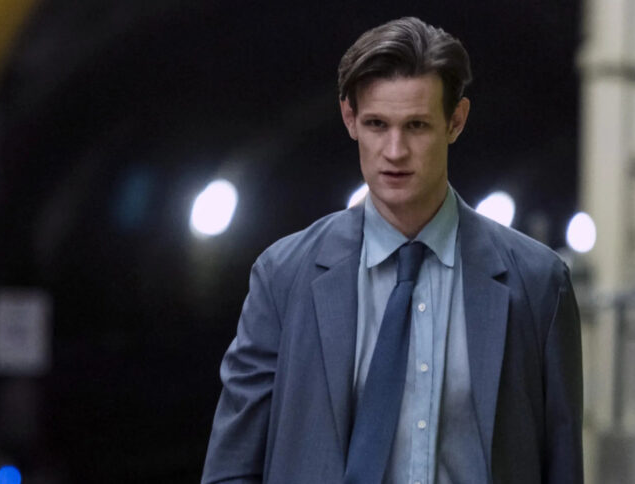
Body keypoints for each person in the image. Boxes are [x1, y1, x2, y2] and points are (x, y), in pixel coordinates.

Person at [202, 16, 582, 484]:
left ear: (456, 121)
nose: (395, 151)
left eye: (417, 125)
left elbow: (561, 465)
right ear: (350, 119)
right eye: (377, 125)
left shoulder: (538, 283)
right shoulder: (283, 276)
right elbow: (232, 467)